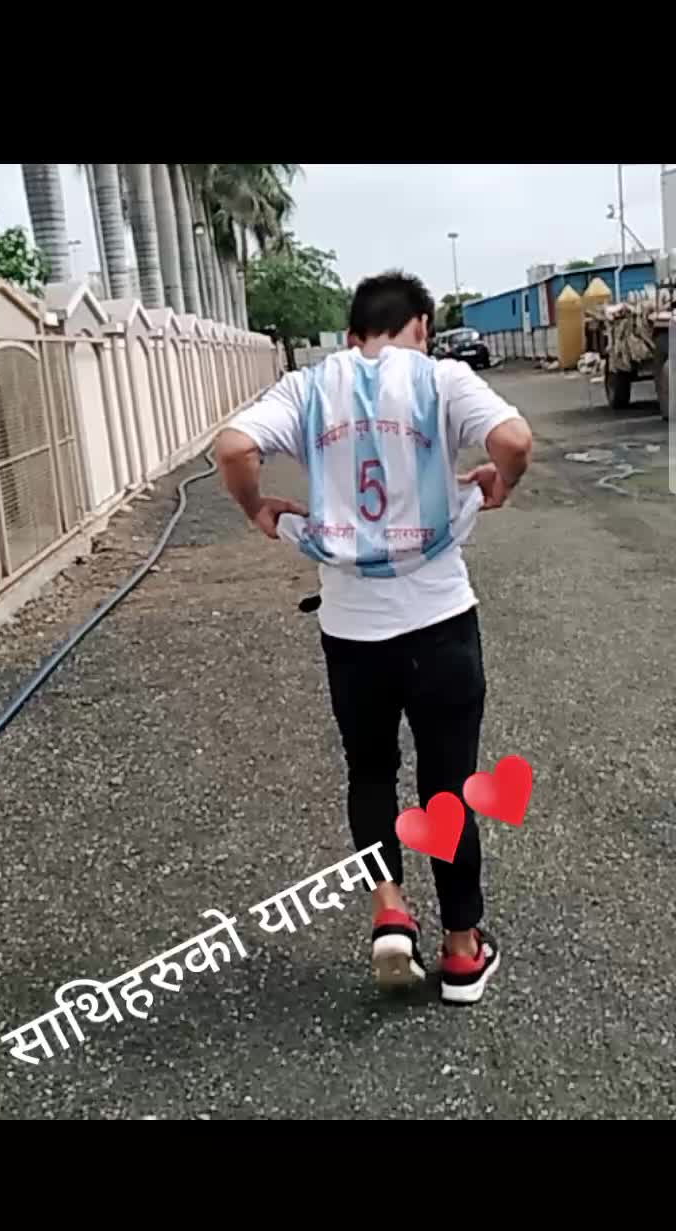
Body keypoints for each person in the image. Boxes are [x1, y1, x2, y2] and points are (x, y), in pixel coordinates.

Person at [214, 271, 532, 1004]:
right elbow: (514, 439)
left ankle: (389, 908)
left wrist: (255, 506)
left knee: (370, 774)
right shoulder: (440, 378)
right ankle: (461, 950)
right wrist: (502, 482)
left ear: (353, 333)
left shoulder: (306, 387)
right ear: (421, 326)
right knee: (447, 784)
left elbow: (233, 449)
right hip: (441, 620)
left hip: (352, 630)